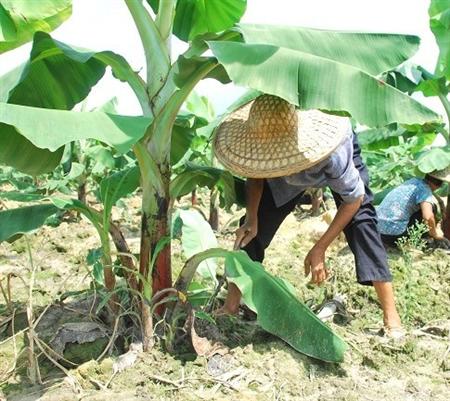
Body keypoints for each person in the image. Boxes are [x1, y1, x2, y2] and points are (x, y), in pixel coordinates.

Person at [212, 94, 403, 337]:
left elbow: (352, 200)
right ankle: (231, 305)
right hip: (283, 172)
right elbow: (255, 176)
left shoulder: (332, 151)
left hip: (323, 157)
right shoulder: (262, 143)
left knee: (362, 224)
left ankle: (391, 316)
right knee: (251, 231)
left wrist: (320, 247)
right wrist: (252, 216)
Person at [377, 172, 450, 249]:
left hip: (379, 232)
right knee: (431, 208)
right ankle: (425, 242)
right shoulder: (424, 189)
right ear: (440, 185)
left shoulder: (413, 181)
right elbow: (428, 217)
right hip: (395, 235)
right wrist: (435, 234)